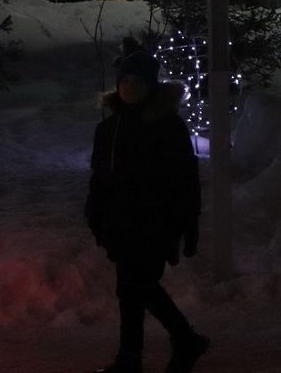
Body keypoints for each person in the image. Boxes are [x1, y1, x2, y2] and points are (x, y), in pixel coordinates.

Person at [86, 39, 207, 373]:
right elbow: (101, 176)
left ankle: (168, 345)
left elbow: (184, 179)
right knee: (132, 289)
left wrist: (187, 223)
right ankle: (154, 350)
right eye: (124, 81)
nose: (129, 87)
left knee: (135, 286)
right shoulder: (109, 129)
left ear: (150, 86)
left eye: (137, 82)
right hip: (121, 222)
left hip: (156, 221)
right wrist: (95, 213)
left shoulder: (167, 127)